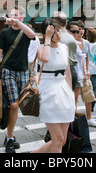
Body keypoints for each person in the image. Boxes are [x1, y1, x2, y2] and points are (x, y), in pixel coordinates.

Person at [0, 6, 35, 153]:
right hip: (8, 71)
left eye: (16, 15)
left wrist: (18, 22)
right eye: (11, 15)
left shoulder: (26, 31)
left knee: (19, 106)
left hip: (23, 71)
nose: (13, 17)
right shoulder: (4, 33)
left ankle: (9, 134)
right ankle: (10, 138)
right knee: (14, 105)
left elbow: (32, 35)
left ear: (22, 16)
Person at [32, 19, 75, 153]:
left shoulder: (64, 47)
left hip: (63, 90)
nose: (58, 34)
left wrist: (71, 93)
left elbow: (67, 72)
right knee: (57, 139)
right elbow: (45, 59)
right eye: (54, 31)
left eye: (58, 30)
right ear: (47, 33)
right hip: (48, 91)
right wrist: (47, 39)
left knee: (62, 141)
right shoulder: (41, 49)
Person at [53, 11, 78, 90]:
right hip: (73, 71)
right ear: (66, 23)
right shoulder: (72, 38)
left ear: (55, 22)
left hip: (62, 72)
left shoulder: (55, 38)